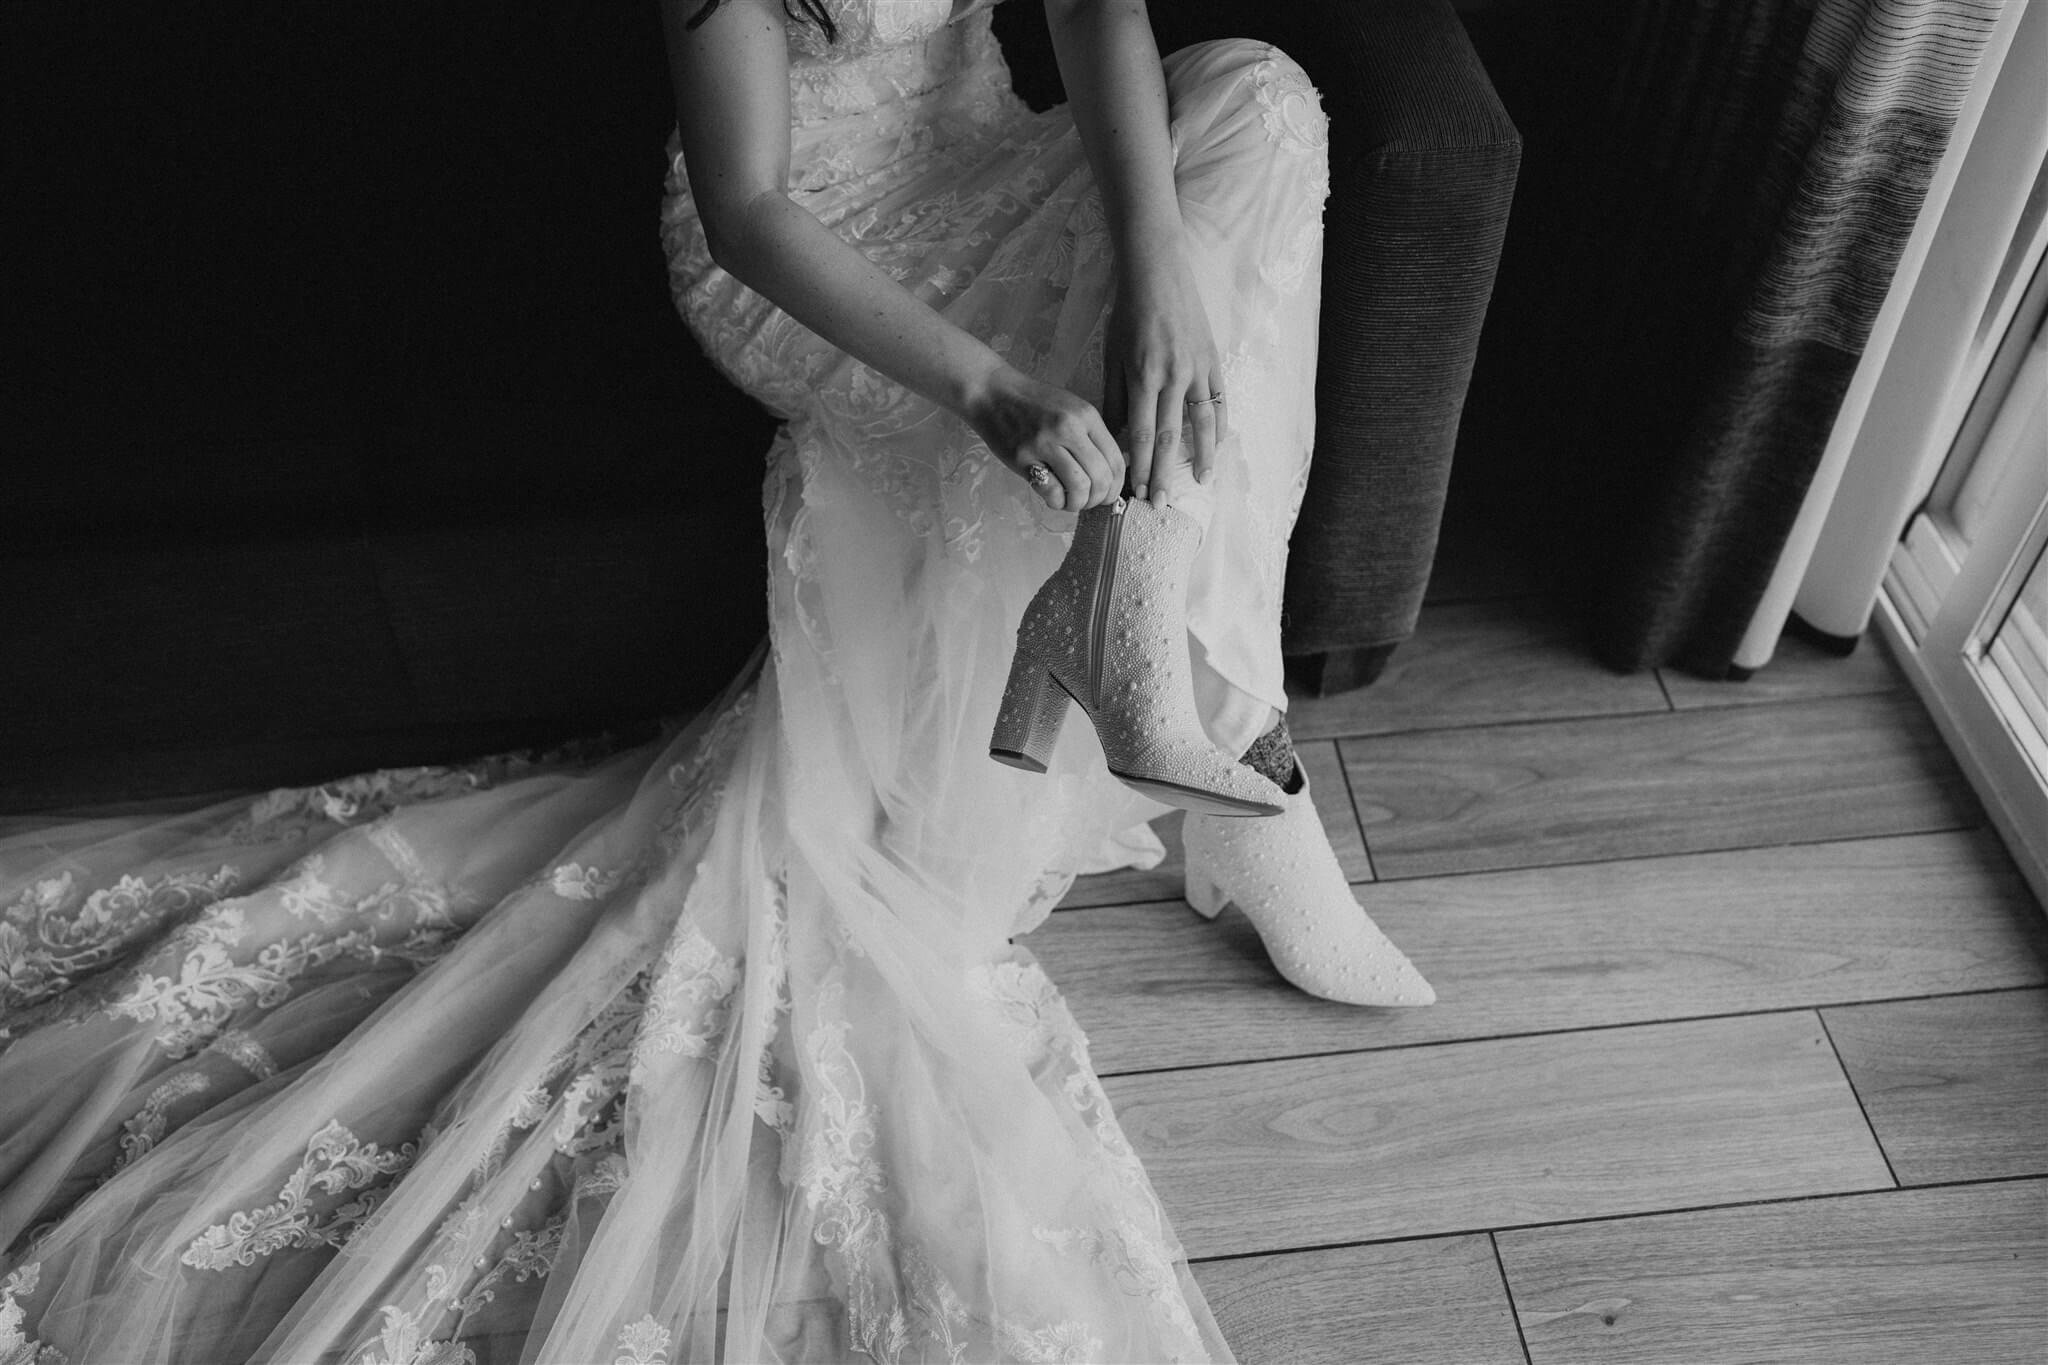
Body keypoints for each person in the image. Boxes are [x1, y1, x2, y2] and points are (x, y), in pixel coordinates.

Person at [0, 1, 1432, 1360]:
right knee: (1097, 321)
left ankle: (1144, 629)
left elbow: (1094, 14)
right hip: (818, 234)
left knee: (1256, 95)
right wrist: (994, 391)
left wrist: (1161, 269)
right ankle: (1249, 780)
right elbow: (752, 211)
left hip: (989, 157)